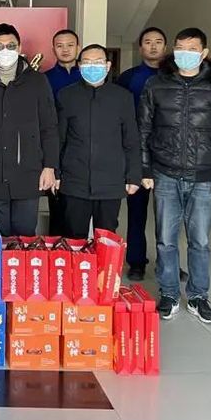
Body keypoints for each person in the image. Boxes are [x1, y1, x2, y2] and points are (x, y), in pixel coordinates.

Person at [139, 27, 211, 325]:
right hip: (165, 172)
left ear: (204, 53)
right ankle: (169, 294)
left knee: (200, 240)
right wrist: (145, 169)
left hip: (204, 175)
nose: (185, 53)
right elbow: (143, 129)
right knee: (165, 240)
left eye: (192, 49)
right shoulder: (156, 84)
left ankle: (198, 296)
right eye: (180, 48)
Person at [0, 23, 59, 237]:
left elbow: (49, 127)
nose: (5, 51)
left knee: (24, 237)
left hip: (28, 174)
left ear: (20, 47)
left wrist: (50, 167)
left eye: (10, 45)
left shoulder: (37, 81)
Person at [57, 44, 141, 239]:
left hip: (111, 181)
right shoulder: (66, 95)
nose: (92, 67)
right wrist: (56, 172)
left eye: (98, 62)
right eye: (87, 62)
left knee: (106, 237)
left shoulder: (122, 97)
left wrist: (134, 175)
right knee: (73, 236)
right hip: (75, 180)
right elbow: (59, 138)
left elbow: (131, 140)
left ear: (108, 65)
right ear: (79, 66)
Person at [115, 26, 168, 281]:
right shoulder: (129, 78)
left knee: (169, 215)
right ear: (140, 47)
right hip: (137, 152)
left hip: (168, 154)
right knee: (137, 211)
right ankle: (136, 261)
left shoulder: (175, 77)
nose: (153, 46)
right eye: (148, 42)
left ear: (165, 47)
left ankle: (168, 263)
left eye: (158, 42)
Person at [44, 29, 81, 235]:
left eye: (70, 45)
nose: (65, 50)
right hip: (55, 149)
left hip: (82, 152)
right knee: (57, 211)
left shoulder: (87, 77)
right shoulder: (44, 79)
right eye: (60, 46)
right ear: (53, 50)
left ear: (78, 48)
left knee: (78, 214)